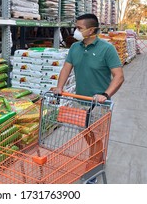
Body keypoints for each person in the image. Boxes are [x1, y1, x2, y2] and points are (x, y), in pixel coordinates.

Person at [51, 13, 124, 183]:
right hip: (79, 100)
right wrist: (60, 86)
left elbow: (119, 76)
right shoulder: (75, 48)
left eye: (79, 28)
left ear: (91, 30)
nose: (76, 31)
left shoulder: (107, 49)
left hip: (99, 103)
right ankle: (96, 158)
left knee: (97, 136)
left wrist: (105, 95)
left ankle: (93, 169)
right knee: (86, 134)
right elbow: (66, 69)